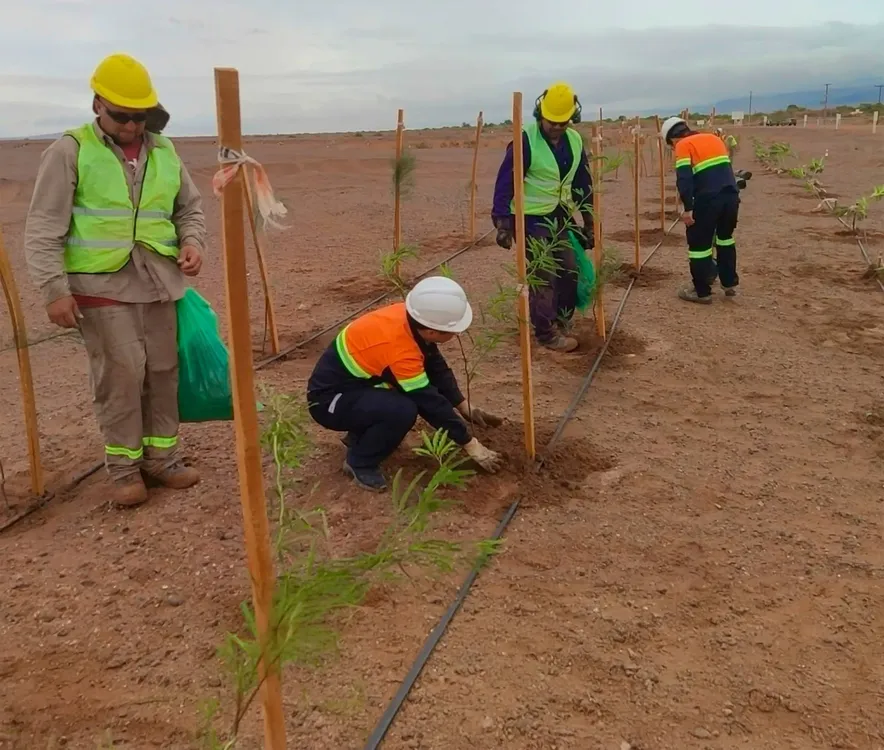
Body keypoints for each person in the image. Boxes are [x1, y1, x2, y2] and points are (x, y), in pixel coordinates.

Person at [25, 53, 206, 507]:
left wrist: (193, 242)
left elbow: (189, 208)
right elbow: (44, 228)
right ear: (97, 105)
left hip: (158, 280)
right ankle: (124, 469)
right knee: (122, 375)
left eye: (139, 116)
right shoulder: (70, 150)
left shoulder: (164, 150)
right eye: (121, 115)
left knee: (163, 372)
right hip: (99, 285)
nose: (130, 126)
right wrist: (54, 291)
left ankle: (162, 460)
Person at [306, 277, 503, 491]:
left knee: (399, 395)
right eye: (453, 331)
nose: (456, 334)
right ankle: (360, 462)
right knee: (402, 409)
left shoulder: (410, 317)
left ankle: (362, 435)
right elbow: (429, 402)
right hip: (329, 403)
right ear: (431, 332)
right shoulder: (399, 350)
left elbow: (434, 365)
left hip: (357, 388)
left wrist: (463, 405)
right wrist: (469, 443)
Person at [491, 82, 594, 353]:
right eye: (552, 121)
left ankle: (561, 320)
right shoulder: (525, 140)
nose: (557, 127)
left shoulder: (575, 141)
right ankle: (545, 333)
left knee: (569, 269)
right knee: (544, 273)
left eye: (563, 122)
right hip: (529, 220)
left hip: (559, 217)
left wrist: (589, 221)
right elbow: (505, 183)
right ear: (540, 113)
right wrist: (503, 223)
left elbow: (583, 182)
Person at [660, 116, 740, 304]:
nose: (673, 149)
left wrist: (688, 208)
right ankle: (729, 283)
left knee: (699, 247)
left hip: (707, 201)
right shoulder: (714, 139)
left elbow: (684, 179)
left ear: (672, 139)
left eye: (671, 146)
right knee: (725, 240)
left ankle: (701, 291)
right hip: (731, 197)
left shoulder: (683, 145)